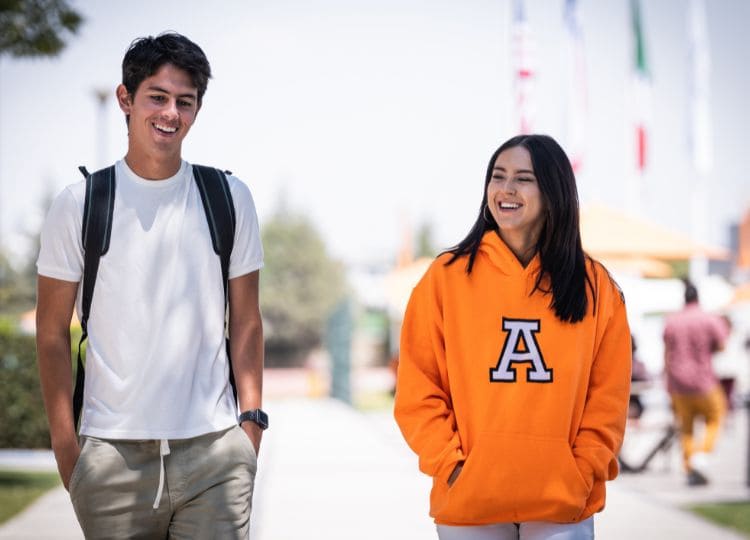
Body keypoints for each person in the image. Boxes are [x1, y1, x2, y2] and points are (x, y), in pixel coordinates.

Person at [35, 32, 266, 538]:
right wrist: (66, 446)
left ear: (198, 109)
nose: (170, 113)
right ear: (126, 99)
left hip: (215, 453)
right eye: (156, 97)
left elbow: (247, 322)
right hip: (110, 459)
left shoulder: (229, 198)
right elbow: (51, 332)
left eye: (185, 101)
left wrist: (249, 428)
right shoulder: (78, 205)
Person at [393, 134, 631, 540]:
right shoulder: (445, 279)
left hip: (562, 503)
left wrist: (581, 470)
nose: (506, 189)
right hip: (470, 502)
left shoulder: (595, 286)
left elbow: (607, 398)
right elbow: (418, 391)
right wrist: (452, 466)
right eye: (498, 176)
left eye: (523, 178)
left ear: (554, 191)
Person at [662, 279, 729, 486]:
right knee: (716, 416)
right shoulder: (708, 319)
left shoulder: (672, 321)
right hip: (703, 381)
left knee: (687, 428)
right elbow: (722, 344)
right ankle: (701, 456)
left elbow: (666, 352)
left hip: (678, 384)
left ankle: (690, 467)